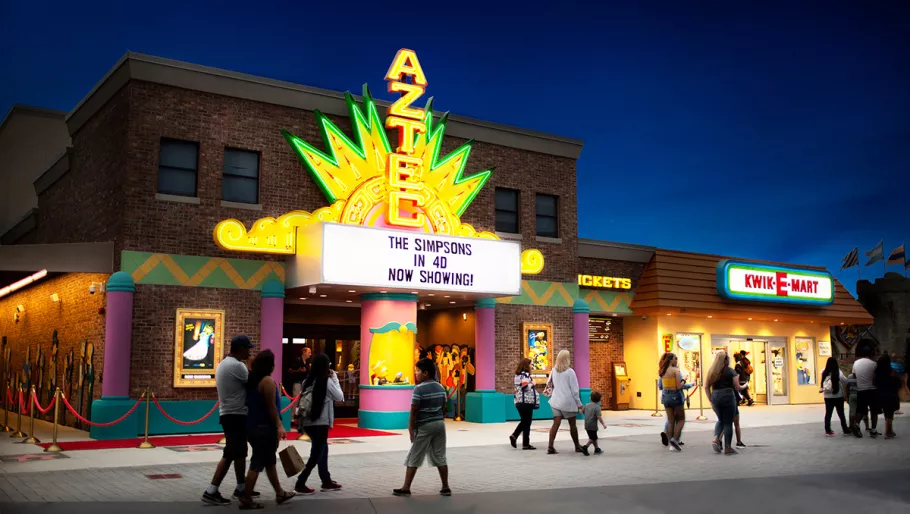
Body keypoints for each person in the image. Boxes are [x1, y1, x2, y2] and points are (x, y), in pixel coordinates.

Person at [202, 335, 257, 506]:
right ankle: (211, 490)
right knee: (230, 452)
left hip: (229, 413)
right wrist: (251, 365)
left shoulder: (224, 364)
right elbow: (253, 383)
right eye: (247, 349)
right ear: (240, 349)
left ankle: (241, 486)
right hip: (235, 414)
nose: (249, 352)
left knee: (240, 451)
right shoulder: (237, 366)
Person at [240, 350, 296, 509]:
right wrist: (279, 425)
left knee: (269, 461)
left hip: (252, 425)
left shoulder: (252, 380)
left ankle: (279, 492)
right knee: (257, 463)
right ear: (269, 365)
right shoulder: (267, 382)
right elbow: (271, 407)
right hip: (264, 428)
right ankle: (246, 498)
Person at [394, 358, 450, 497]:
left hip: (424, 425)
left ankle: (406, 487)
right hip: (439, 424)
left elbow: (414, 410)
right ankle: (445, 487)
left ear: (425, 373)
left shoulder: (419, 389)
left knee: (414, 455)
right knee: (440, 455)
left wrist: (411, 428)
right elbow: (444, 408)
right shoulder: (441, 387)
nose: (416, 373)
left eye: (418, 371)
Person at [294, 353, 344, 494]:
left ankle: (326, 480)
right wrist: (334, 378)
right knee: (316, 454)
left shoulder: (307, 381)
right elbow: (339, 396)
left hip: (308, 421)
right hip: (321, 423)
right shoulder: (326, 382)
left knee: (322, 449)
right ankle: (300, 482)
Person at [546, 349, 587, 455]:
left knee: (556, 424)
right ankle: (577, 446)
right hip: (567, 402)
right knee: (572, 425)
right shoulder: (570, 372)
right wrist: (579, 405)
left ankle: (550, 446)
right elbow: (574, 391)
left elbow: (549, 383)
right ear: (566, 359)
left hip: (555, 401)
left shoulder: (553, 370)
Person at [705, 351, 746, 455]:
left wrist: (710, 399)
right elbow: (737, 387)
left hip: (715, 396)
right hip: (727, 395)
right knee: (728, 422)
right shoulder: (730, 371)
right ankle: (728, 447)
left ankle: (716, 438)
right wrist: (745, 386)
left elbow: (706, 386)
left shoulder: (711, 371)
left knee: (720, 420)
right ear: (726, 360)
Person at [851, 342, 880, 438]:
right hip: (872, 390)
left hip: (861, 390)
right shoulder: (874, 364)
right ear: (871, 354)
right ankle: (873, 430)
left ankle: (856, 424)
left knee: (861, 410)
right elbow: (876, 377)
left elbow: (854, 375)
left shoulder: (856, 363)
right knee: (874, 411)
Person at [658, 353, 685, 452]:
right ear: (670, 360)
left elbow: (661, 386)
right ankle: (675, 439)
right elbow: (678, 386)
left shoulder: (662, 371)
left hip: (666, 396)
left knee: (670, 420)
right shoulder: (675, 371)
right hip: (675, 396)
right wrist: (684, 380)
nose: (676, 360)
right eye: (675, 358)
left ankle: (671, 443)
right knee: (681, 419)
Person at [510, 357, 538, 450]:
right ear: (527, 365)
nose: (531, 366)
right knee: (527, 422)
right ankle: (524, 443)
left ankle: (515, 437)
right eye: (530, 364)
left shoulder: (517, 375)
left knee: (524, 421)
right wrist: (533, 383)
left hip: (518, 401)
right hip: (526, 401)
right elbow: (525, 386)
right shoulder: (525, 375)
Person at [819, 356, 850, 436]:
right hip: (838, 396)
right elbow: (845, 381)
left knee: (828, 413)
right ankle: (845, 429)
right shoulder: (838, 372)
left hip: (827, 396)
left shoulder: (823, 371)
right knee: (841, 413)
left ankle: (828, 430)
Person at [875, 354, 899, 439]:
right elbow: (898, 384)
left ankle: (890, 430)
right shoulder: (892, 372)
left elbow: (875, 383)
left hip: (881, 395)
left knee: (887, 413)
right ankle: (888, 432)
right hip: (891, 395)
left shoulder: (877, 373)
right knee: (890, 414)